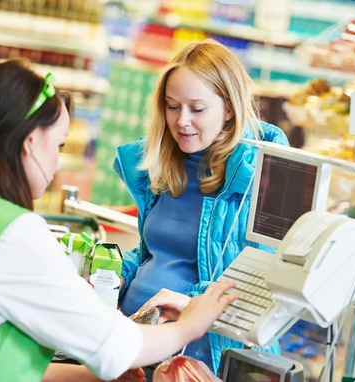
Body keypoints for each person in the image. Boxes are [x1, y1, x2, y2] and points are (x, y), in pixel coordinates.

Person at [0, 60, 238, 382]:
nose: (57, 164)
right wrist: (190, 325)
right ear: (31, 143)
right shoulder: (12, 232)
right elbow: (115, 348)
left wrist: (86, 375)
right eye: (59, 146)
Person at [114, 39, 290, 374]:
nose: (181, 121)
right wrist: (120, 274)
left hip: (201, 359)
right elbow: (156, 253)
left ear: (228, 108)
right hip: (138, 347)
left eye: (197, 109)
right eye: (172, 106)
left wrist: (194, 305)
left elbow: (263, 279)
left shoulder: (264, 175)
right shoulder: (164, 167)